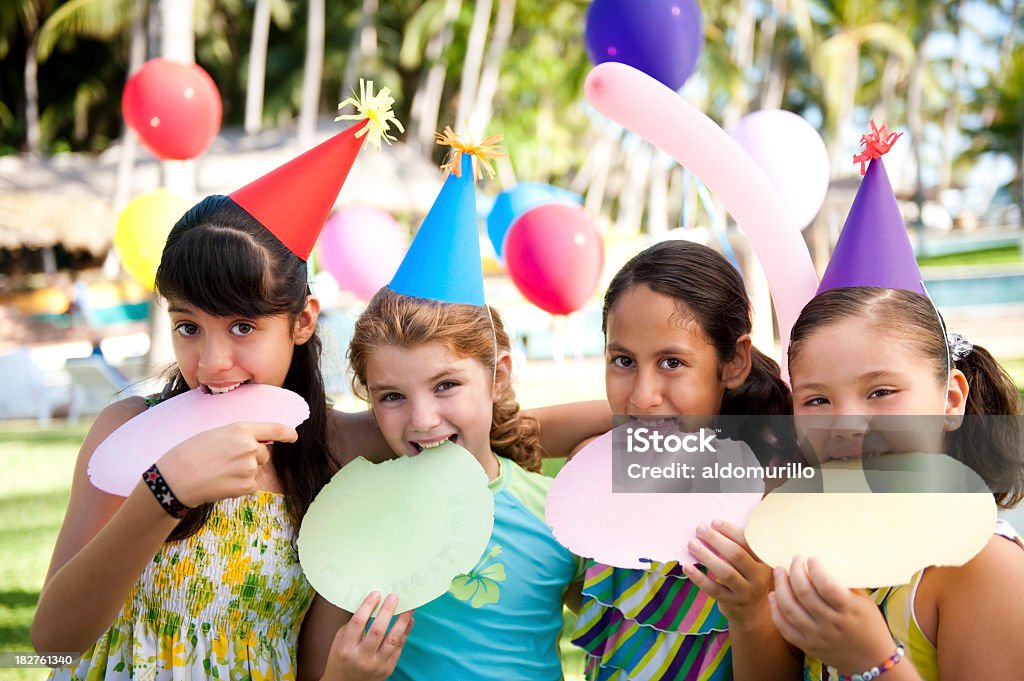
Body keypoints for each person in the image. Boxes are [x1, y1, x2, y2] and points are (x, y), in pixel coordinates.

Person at [33, 88, 417, 681]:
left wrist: (620, 421)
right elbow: (53, 643)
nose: (212, 361)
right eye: (189, 326)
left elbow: (506, 431)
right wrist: (165, 493)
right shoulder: (127, 432)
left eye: (243, 326)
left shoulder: (340, 450)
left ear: (302, 321)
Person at [301, 130, 586, 681]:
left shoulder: (555, 514)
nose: (423, 419)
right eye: (392, 397)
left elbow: (616, 632)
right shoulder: (355, 520)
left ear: (498, 376)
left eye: (447, 386)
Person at [768, 285, 1024, 681]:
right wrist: (748, 610)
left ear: (951, 400)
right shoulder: (816, 549)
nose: (847, 425)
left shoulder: (986, 567)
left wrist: (873, 659)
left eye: (881, 392)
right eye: (817, 400)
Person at [569, 239, 794, 681]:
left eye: (671, 362)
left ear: (734, 362)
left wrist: (749, 613)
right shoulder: (599, 473)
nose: (641, 394)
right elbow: (514, 429)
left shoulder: (772, 504)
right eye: (623, 360)